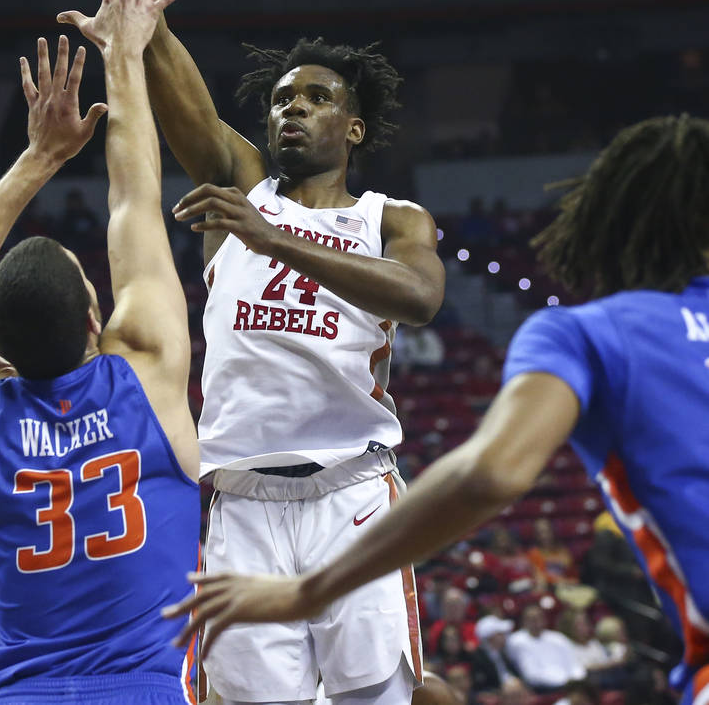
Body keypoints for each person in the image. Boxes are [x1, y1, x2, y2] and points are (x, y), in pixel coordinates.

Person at [62, 0, 445, 704]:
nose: (290, 107)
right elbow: (147, 36)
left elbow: (418, 299)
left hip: (355, 498)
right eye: (280, 96)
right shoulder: (240, 180)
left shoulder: (393, 219)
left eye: (315, 98)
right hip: (239, 506)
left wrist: (274, 237)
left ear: (353, 127)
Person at [166, 115, 709, 705]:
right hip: (253, 488)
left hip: (346, 484)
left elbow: (490, 472)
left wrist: (308, 592)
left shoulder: (591, 334)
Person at [0, 0, 199, 704]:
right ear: (97, 318)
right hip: (151, 688)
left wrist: (36, 159)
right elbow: (136, 201)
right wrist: (124, 55)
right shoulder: (148, 370)